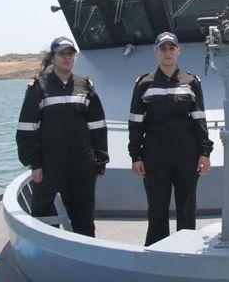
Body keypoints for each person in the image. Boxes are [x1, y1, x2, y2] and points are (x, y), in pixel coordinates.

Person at [16, 36, 108, 237]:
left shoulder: (85, 86)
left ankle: (86, 250)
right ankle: (46, 252)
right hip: (50, 165)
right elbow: (26, 129)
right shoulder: (38, 87)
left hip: (81, 165)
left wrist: (99, 160)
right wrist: (35, 164)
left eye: (70, 54)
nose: (67, 58)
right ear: (53, 58)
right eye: (62, 54)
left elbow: (98, 126)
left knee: (84, 216)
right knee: (45, 216)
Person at [128, 32, 214, 246]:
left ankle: (187, 249)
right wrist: (136, 156)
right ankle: (157, 251)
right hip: (154, 154)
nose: (167, 53)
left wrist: (204, 152)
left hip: (186, 153)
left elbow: (199, 119)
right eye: (163, 48)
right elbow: (136, 122)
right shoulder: (144, 84)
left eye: (171, 48)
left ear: (178, 51)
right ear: (156, 51)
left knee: (187, 207)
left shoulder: (191, 82)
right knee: (157, 206)